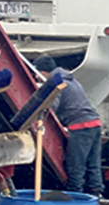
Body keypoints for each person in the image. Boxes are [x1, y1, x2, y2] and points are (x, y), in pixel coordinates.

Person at [34, 55, 103, 196]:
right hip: (95, 124)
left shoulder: (56, 83)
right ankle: (95, 196)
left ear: (42, 72)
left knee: (76, 166)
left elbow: (51, 108)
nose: (35, 77)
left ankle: (75, 197)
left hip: (80, 127)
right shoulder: (71, 80)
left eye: (36, 73)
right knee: (93, 164)